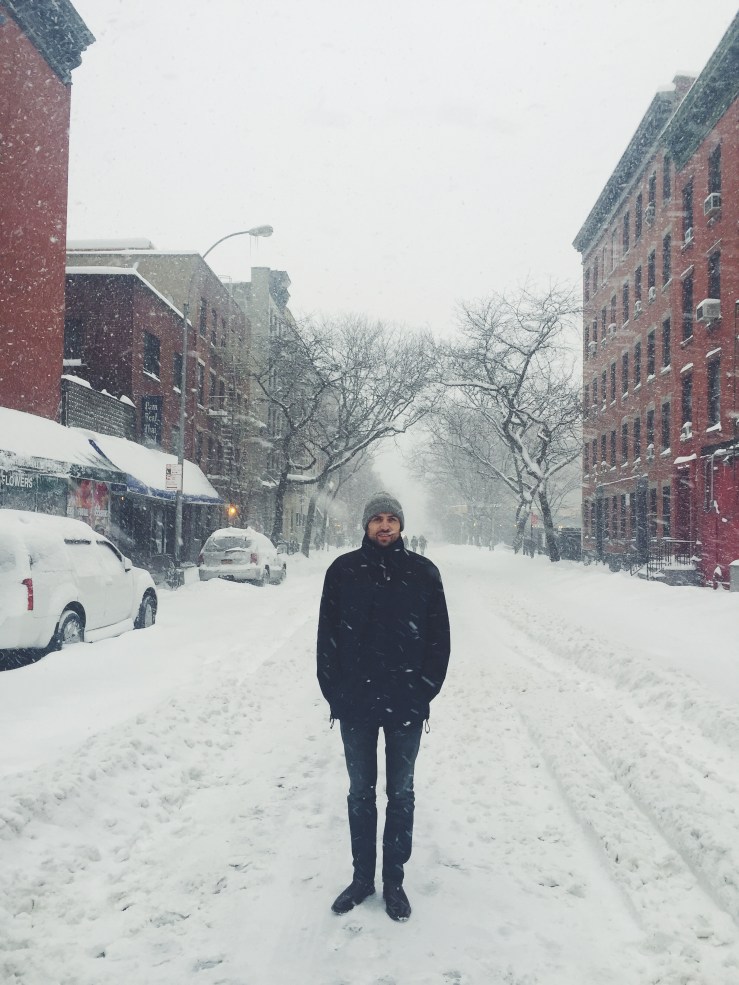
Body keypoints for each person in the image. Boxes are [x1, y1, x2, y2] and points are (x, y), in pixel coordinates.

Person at [317, 492, 451, 922]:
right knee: (360, 794)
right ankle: (362, 880)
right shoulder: (342, 572)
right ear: (365, 525)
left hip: (405, 705)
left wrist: (423, 691)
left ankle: (393, 881)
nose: (385, 526)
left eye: (392, 518)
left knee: (401, 794)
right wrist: (335, 692)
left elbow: (438, 639)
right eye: (377, 518)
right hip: (355, 704)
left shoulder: (423, 573)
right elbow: (327, 639)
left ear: (402, 525)